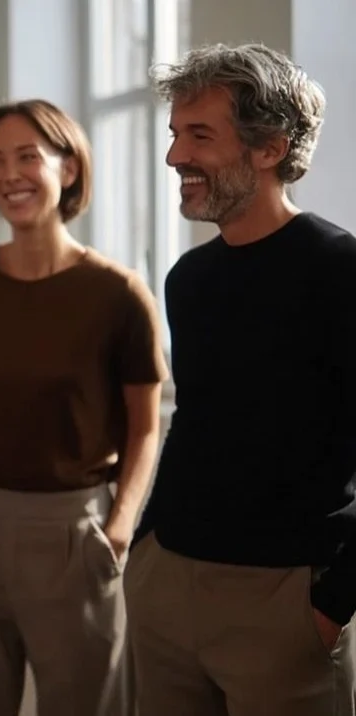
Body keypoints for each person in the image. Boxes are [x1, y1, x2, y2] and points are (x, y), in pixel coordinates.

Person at [126, 43, 356, 716]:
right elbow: (199, 423)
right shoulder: (188, 280)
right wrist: (147, 549)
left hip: (285, 606)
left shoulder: (339, 271)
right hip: (167, 585)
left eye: (200, 135)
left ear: (270, 147)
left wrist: (332, 603)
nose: (175, 158)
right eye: (175, 135)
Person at [0, 99, 168, 716]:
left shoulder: (117, 294)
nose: (9, 174)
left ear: (68, 169)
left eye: (27, 157)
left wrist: (118, 530)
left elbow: (147, 426)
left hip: (73, 531)